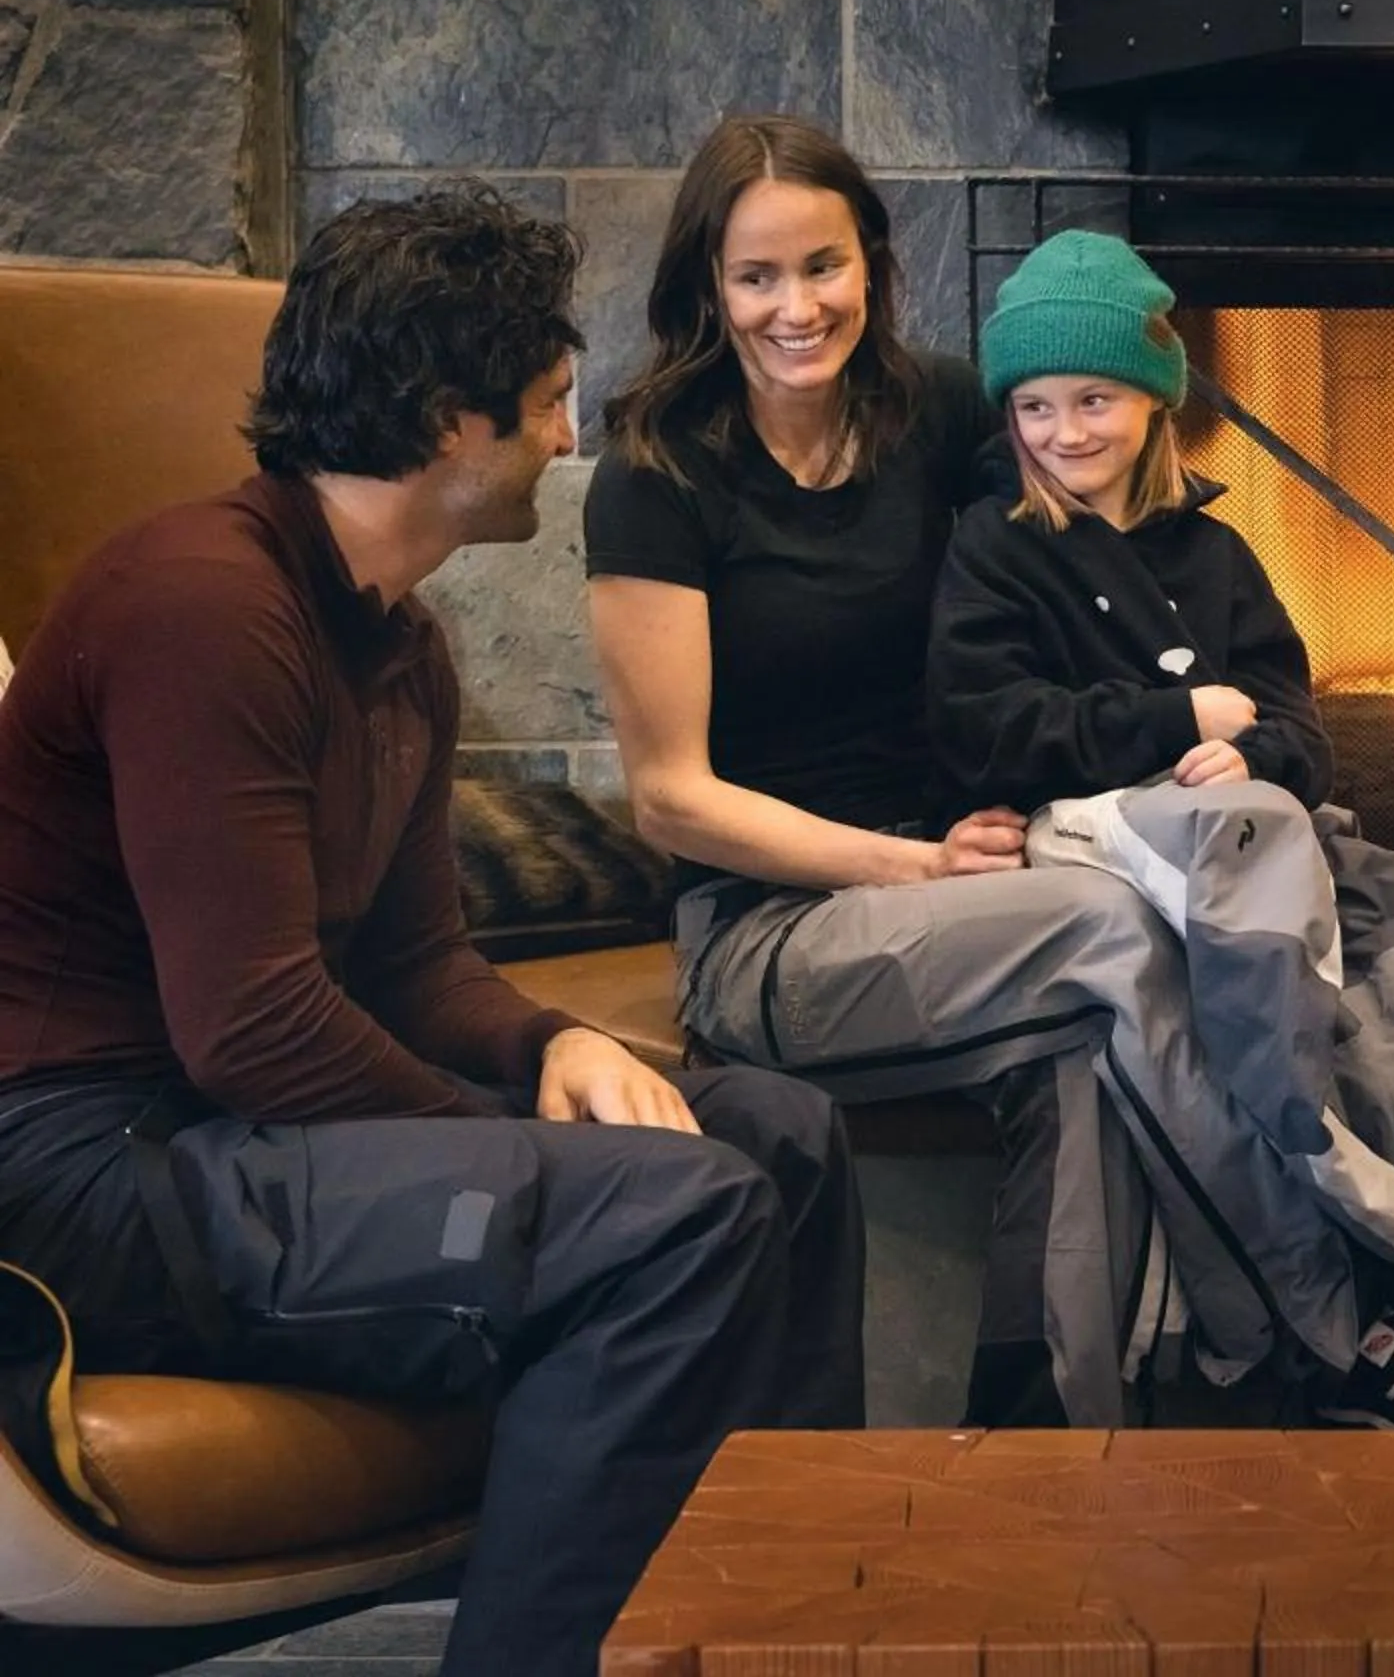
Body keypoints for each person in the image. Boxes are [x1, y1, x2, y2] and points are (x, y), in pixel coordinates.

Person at [0, 188, 864, 1677]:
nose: (570, 440)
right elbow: (250, 1025)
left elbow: (410, 969)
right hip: (94, 1168)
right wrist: (538, 1144)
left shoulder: (399, 640)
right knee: (678, 1212)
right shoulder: (203, 608)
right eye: (544, 404)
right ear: (449, 422)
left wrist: (555, 1048)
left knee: (779, 1136)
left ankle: (760, 1639)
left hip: (233, 1128)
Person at [586, 122, 1394, 1431]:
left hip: (995, 888)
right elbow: (671, 798)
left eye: (825, 265)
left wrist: (1230, 734)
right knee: (1124, 929)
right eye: (756, 276)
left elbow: (1101, 552)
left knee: (1092, 1066)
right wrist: (915, 863)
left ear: (872, 263)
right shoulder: (658, 475)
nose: (797, 306)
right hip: (780, 926)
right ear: (708, 288)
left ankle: (1048, 1455)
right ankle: (1343, 1336)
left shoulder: (935, 413)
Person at [930, 228, 1394, 1430]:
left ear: (1155, 403)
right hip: (1122, 853)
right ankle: (1345, 1300)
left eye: (1097, 398)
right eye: (1037, 404)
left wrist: (1253, 744)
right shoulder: (995, 549)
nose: (1066, 431)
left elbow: (1298, 722)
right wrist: (1174, 718)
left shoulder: (1216, 554)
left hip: (1276, 829)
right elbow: (985, 730)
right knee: (1279, 1014)